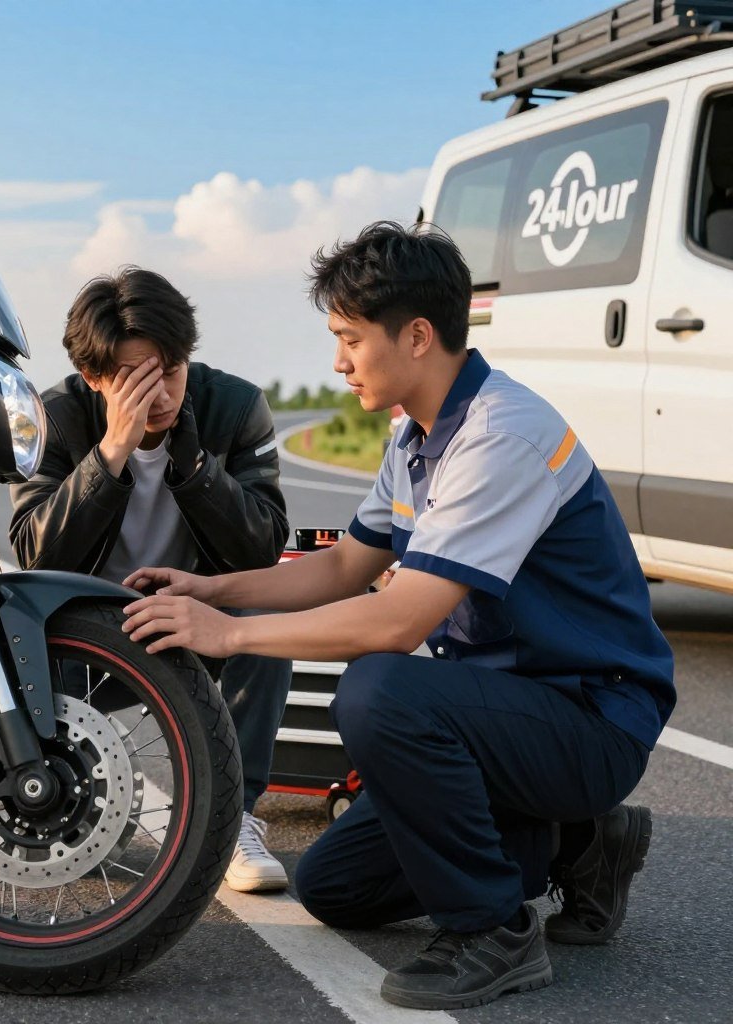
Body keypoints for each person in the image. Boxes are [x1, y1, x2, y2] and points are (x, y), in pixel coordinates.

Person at [119, 223, 674, 1011]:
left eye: (349, 339)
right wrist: (213, 592)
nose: (338, 362)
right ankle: (580, 841)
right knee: (334, 887)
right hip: (507, 718)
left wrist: (231, 636)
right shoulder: (415, 434)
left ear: (417, 336)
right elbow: (347, 565)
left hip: (589, 717)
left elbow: (394, 622)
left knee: (381, 691)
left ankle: (495, 934)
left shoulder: (500, 435)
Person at [9, 266, 293, 893]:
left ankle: (236, 816)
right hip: (83, 630)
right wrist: (110, 453)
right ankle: (66, 801)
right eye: (135, 379)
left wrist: (192, 467)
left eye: (169, 370)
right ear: (94, 377)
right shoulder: (52, 415)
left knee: (264, 626)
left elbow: (263, 548)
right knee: (11, 636)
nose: (159, 394)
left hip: (193, 615)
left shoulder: (234, 406)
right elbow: (33, 550)